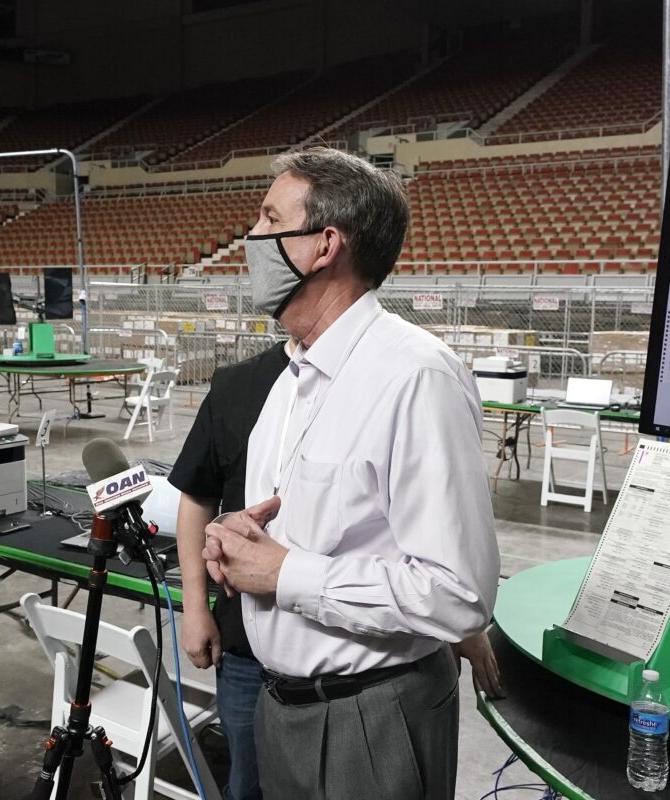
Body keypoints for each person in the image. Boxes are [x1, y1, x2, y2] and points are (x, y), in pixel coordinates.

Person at [201, 147, 500, 800]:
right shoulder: (293, 379)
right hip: (285, 708)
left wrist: (282, 573)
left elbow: (459, 593)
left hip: (371, 715)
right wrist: (239, 539)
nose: (248, 237)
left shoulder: (414, 375)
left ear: (322, 244)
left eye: (267, 218)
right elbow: (309, 530)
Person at [171, 341, 291, 800]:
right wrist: (195, 607)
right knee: (247, 779)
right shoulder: (236, 385)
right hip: (245, 641)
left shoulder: (369, 380)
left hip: (338, 645)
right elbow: (197, 496)